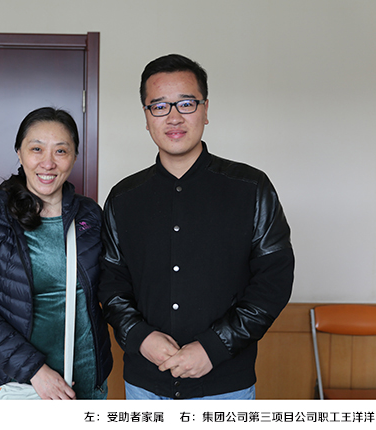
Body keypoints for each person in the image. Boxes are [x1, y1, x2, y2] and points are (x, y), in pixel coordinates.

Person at [98, 54, 295, 400]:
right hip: (145, 385)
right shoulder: (123, 197)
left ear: (205, 110)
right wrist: (140, 336)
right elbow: (111, 281)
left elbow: (273, 281)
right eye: (159, 106)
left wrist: (215, 346)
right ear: (146, 116)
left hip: (225, 387)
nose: (173, 117)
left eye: (186, 103)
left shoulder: (251, 188)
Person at [0, 107, 112, 400]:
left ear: (74, 156)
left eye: (61, 151)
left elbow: (113, 284)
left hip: (89, 379)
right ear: (19, 152)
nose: (48, 163)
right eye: (36, 149)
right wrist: (35, 371)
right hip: (24, 383)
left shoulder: (89, 214)